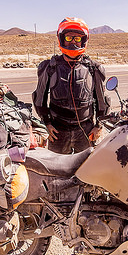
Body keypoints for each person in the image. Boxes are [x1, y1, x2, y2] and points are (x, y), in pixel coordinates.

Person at [32, 17, 109, 154]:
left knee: (85, 169)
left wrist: (99, 125)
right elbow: (40, 99)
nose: (73, 41)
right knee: (58, 169)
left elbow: (102, 101)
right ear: (62, 39)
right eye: (69, 38)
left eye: (77, 38)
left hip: (85, 130)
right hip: (57, 130)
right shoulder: (50, 67)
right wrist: (46, 124)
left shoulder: (93, 68)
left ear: (83, 40)